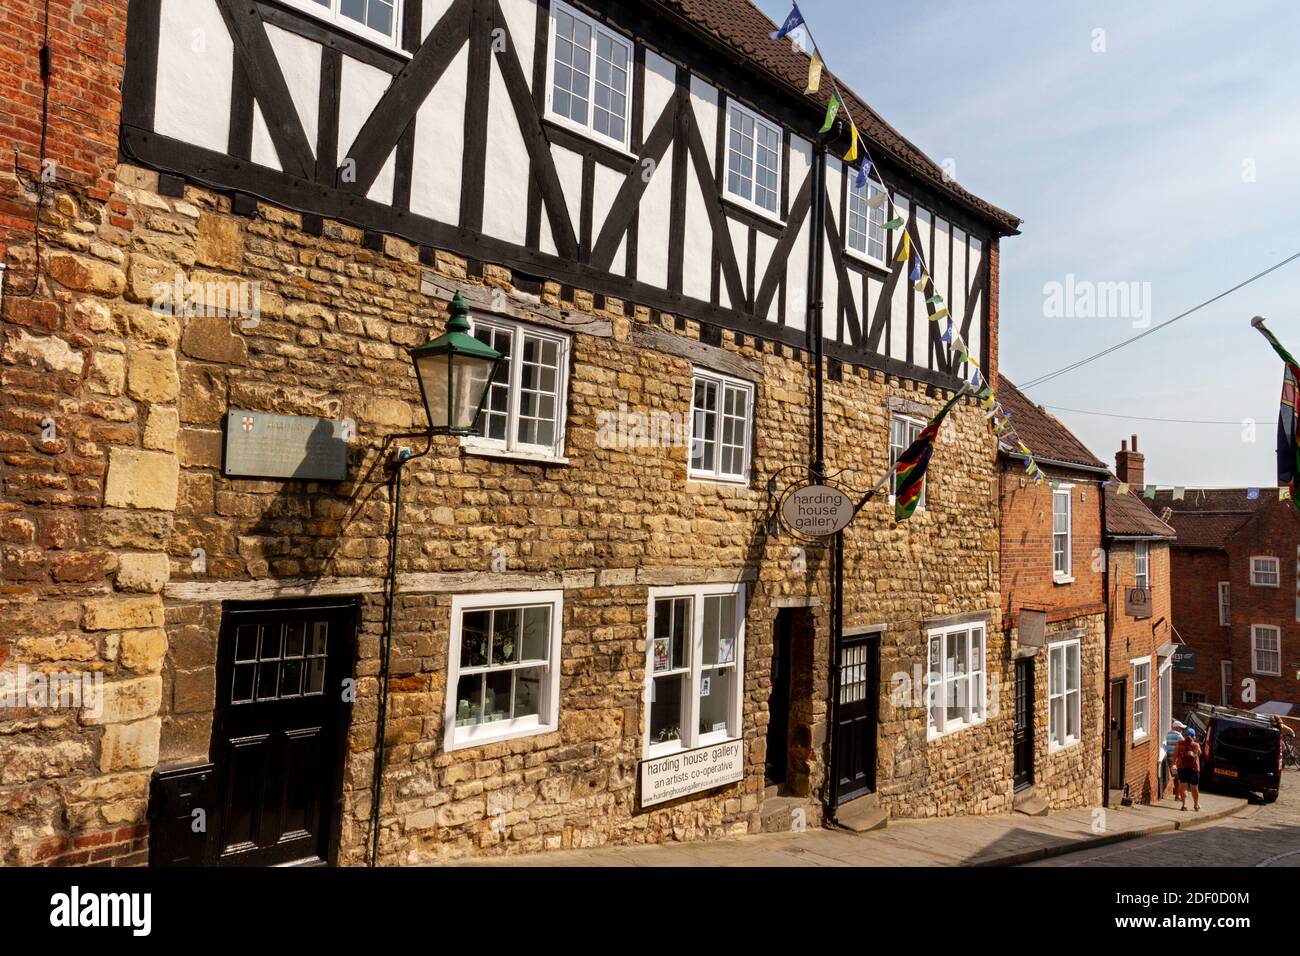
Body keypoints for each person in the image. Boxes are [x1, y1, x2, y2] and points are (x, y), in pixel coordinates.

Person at [1173, 727, 1202, 811]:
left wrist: (1173, 763)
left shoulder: (1179, 743)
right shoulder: (1196, 745)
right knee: (1194, 788)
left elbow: (1175, 754)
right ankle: (1196, 805)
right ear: (1194, 736)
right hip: (1194, 768)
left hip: (1182, 767)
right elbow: (1199, 753)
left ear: (1184, 735)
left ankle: (1184, 805)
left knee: (1183, 787)